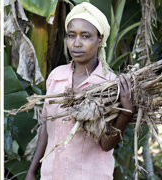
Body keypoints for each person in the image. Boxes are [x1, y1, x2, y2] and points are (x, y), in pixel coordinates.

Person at [26, 2, 135, 180]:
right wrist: (32, 170)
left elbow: (106, 144)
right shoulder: (56, 77)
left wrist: (127, 113)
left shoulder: (109, 84)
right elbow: (47, 126)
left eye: (85, 36)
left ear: (100, 40)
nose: (76, 43)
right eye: (71, 35)